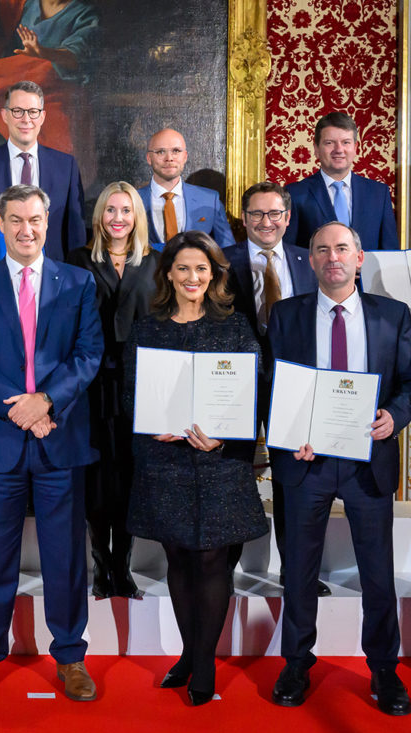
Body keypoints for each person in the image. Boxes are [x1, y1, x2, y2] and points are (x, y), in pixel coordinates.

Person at [0, 183, 102, 702]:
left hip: (60, 437)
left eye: (34, 219)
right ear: (1, 222)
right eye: (15, 220)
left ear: (48, 218)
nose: (26, 229)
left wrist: (47, 403)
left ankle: (71, 656)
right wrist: (22, 408)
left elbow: (88, 356)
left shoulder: (78, 282)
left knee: (64, 557)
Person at [267, 221, 411, 716]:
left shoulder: (392, 315)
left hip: (367, 462)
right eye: (321, 249)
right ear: (309, 261)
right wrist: (291, 433)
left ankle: (383, 668)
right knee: (299, 568)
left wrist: (394, 417)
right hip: (306, 462)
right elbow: (272, 384)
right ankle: (296, 662)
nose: (332, 256)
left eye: (342, 248)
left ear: (359, 259)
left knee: (377, 573)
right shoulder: (285, 316)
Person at [123, 230, 268, 705]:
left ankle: (202, 663)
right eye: (182, 268)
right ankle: (191, 652)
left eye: (201, 269)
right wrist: (152, 425)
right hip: (165, 462)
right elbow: (130, 394)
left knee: (211, 560)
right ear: (168, 273)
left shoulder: (237, 327)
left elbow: (254, 394)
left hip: (219, 462)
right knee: (180, 559)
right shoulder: (149, 328)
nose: (192, 277)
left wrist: (227, 434)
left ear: (214, 275)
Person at [221, 181, 331, 598]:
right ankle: (225, 567)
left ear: (287, 218)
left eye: (273, 214)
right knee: (232, 473)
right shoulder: (221, 261)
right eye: (256, 215)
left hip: (294, 383)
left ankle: (296, 570)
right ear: (244, 219)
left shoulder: (309, 261)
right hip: (237, 382)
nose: (265, 223)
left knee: (293, 477)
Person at [65, 181, 157, 598]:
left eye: (126, 211)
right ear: (99, 216)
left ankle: (124, 567)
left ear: (137, 216)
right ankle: (101, 565)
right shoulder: (78, 260)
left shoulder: (157, 263)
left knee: (131, 481)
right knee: (98, 483)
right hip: (92, 385)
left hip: (141, 385)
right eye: (110, 210)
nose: (117, 218)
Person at [0, 0, 99, 172]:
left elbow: (78, 55)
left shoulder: (84, 13)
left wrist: (43, 53)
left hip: (53, 93)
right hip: (5, 90)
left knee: (44, 163)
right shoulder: (23, 4)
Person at [0, 81, 86, 260]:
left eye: (33, 112)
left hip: (54, 277)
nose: (26, 119)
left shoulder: (66, 167)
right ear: (4, 115)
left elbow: (75, 233)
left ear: (42, 117)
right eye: (17, 111)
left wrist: (70, 279)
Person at [284, 112, 399, 252]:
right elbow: (289, 252)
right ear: (316, 149)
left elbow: (390, 252)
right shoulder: (295, 194)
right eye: (329, 143)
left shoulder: (379, 194)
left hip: (368, 274)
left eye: (346, 142)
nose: (339, 150)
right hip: (314, 274)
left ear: (355, 148)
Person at [136, 129, 236, 249]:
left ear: (185, 156)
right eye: (161, 152)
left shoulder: (210, 200)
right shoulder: (132, 200)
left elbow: (228, 251)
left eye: (176, 151)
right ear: (149, 158)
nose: (169, 158)